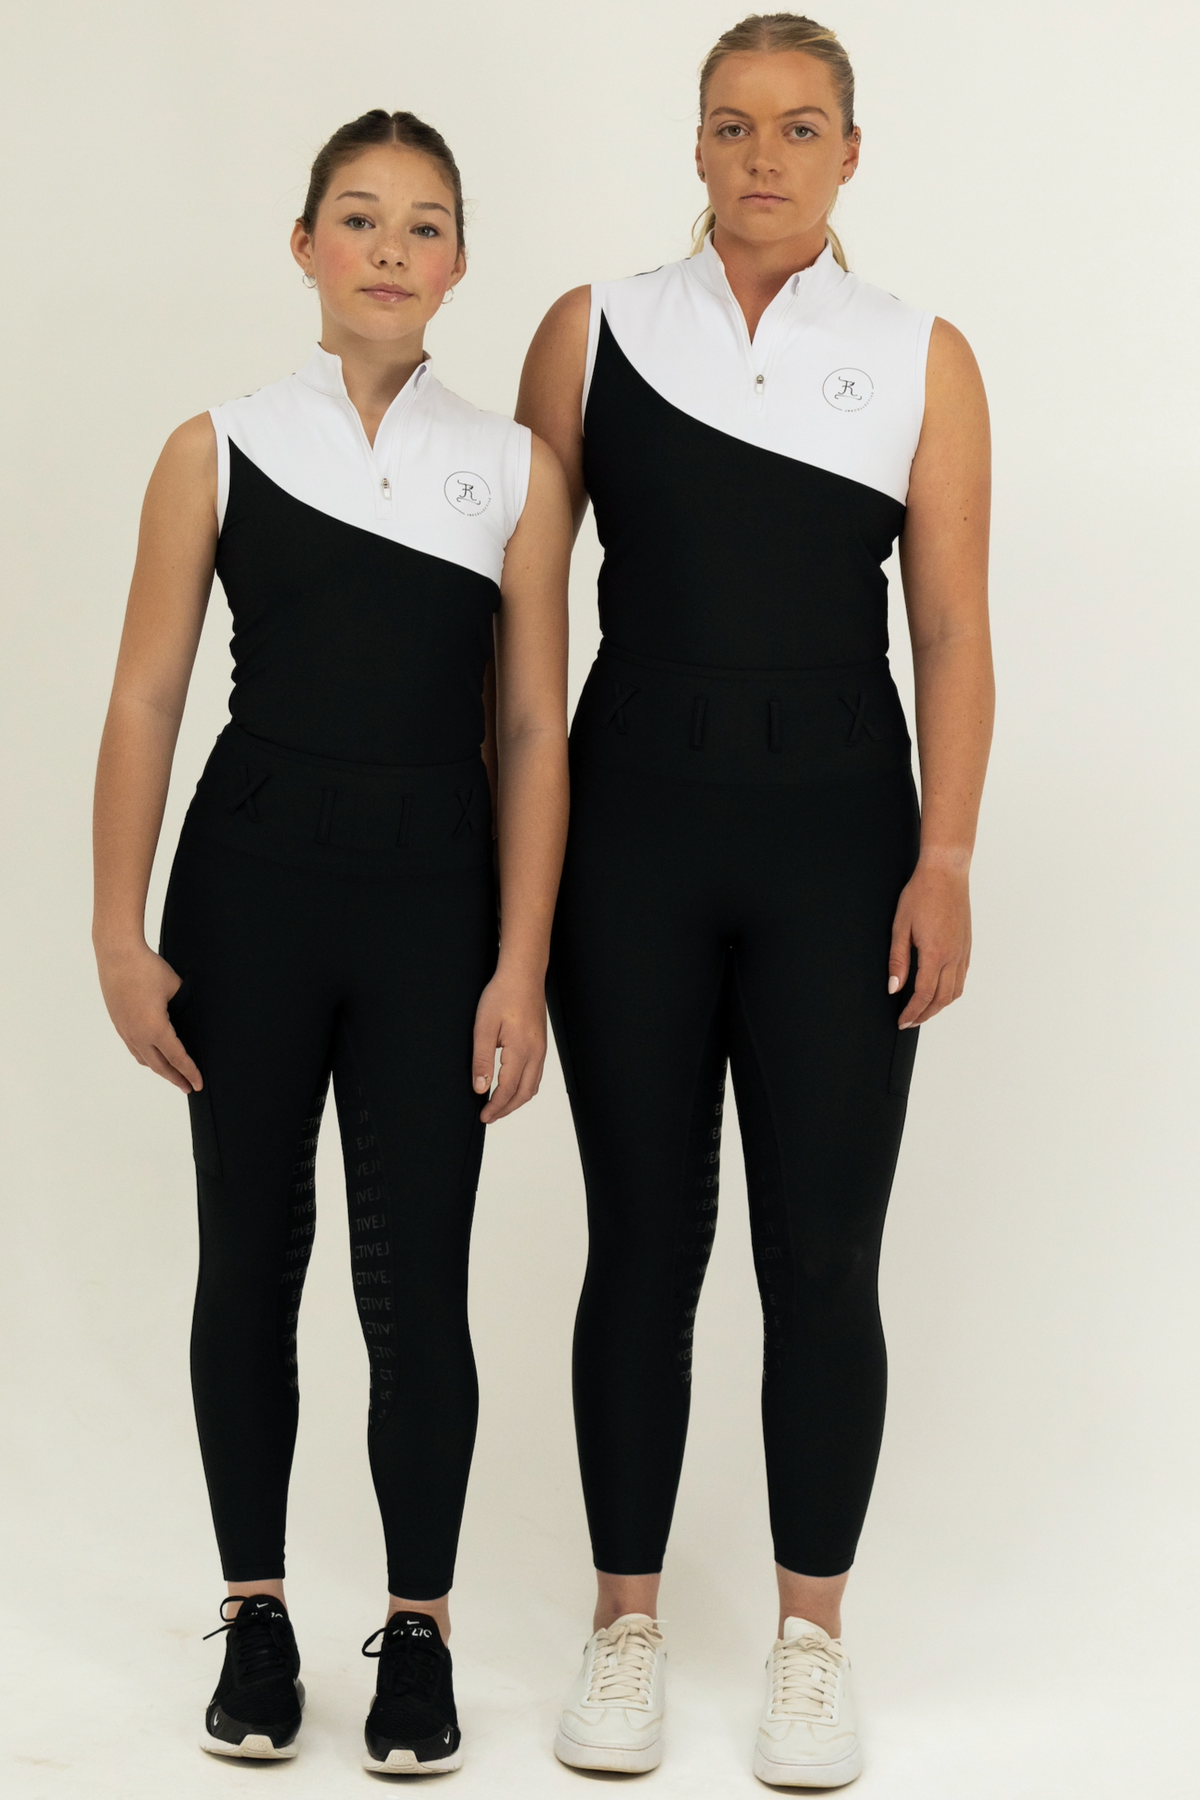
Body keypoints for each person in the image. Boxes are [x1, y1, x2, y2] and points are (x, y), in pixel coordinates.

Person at [517, 13, 992, 1787]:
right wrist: (517, 896)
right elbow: (522, 633)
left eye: (801, 128)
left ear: (851, 152)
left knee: (824, 1255)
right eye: (733, 125)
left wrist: (947, 856)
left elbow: (952, 628)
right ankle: (624, 1627)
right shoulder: (591, 330)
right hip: (632, 834)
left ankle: (811, 1643)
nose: (764, 156)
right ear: (696, 144)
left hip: (840, 846)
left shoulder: (921, 354)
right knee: (642, 1241)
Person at [92, 108, 570, 1774]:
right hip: (250, 896)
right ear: (303, 247)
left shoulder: (515, 467)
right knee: (251, 1258)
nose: (389, 248)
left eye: (424, 224)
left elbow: (532, 726)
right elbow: (147, 695)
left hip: (436, 910)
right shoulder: (216, 447)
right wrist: (117, 932)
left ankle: (418, 1632)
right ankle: (256, 1613)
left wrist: (522, 962)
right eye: (358, 218)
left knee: (417, 1281)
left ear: (459, 263)